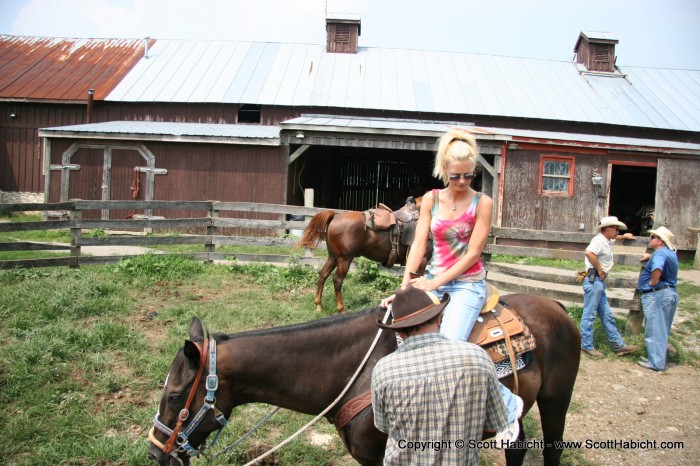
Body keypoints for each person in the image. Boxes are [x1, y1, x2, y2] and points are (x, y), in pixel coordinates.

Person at [379, 128, 522, 440]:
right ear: (444, 170)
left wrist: (434, 284)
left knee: (449, 351)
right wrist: (406, 287)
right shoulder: (430, 199)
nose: (461, 182)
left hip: (467, 284)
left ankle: (510, 408)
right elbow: (418, 246)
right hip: (433, 280)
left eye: (468, 176)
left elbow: (473, 254)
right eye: (456, 176)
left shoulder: (481, 203)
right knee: (403, 338)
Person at [372, 286, 508, 465]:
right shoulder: (478, 356)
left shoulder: (383, 370)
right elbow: (493, 423)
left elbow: (384, 426)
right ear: (438, 318)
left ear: (398, 331)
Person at [581, 216, 639, 358]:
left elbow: (613, 239)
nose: (617, 230)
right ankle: (586, 345)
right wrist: (600, 269)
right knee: (590, 314)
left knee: (606, 315)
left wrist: (623, 236)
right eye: (615, 228)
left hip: (597, 282)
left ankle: (618, 345)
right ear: (606, 229)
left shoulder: (605, 240)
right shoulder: (599, 241)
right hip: (595, 280)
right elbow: (589, 252)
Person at [636, 226, 679, 371]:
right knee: (662, 327)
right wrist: (651, 257)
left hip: (657, 294)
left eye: (653, 237)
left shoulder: (660, 254)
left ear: (660, 241)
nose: (651, 239)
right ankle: (657, 357)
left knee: (654, 328)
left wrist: (653, 281)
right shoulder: (670, 253)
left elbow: (658, 268)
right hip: (669, 293)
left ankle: (656, 363)